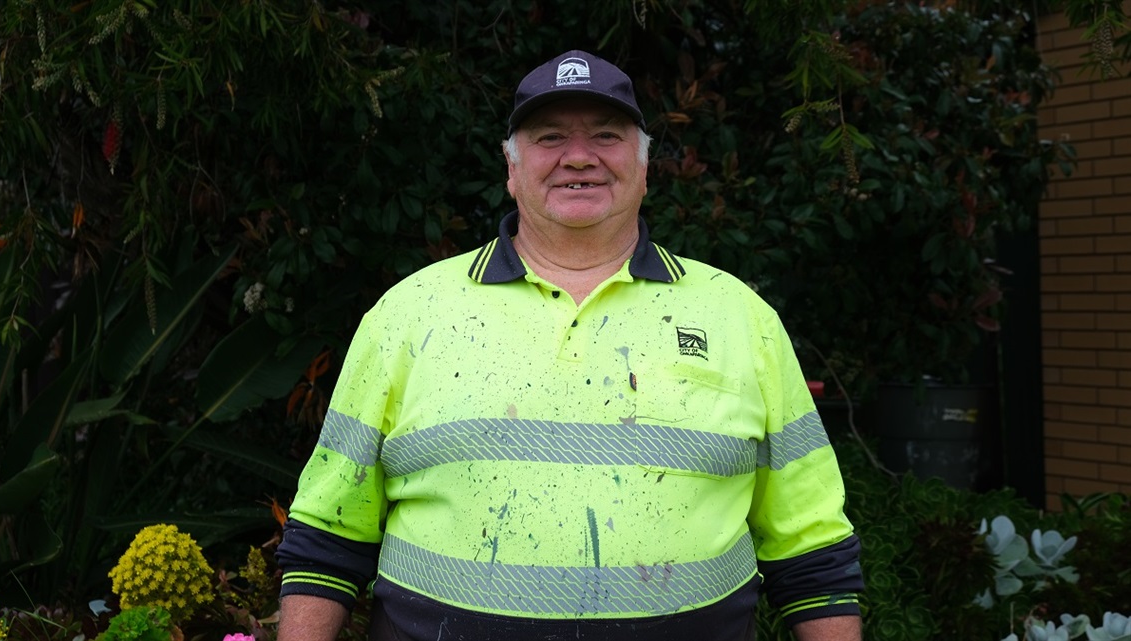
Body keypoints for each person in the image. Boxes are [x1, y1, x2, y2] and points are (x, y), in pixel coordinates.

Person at [275, 49, 864, 641]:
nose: (578, 157)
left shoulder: (740, 317)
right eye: (550, 136)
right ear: (511, 168)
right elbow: (328, 536)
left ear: (644, 166)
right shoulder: (406, 314)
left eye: (606, 136)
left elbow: (812, 549)